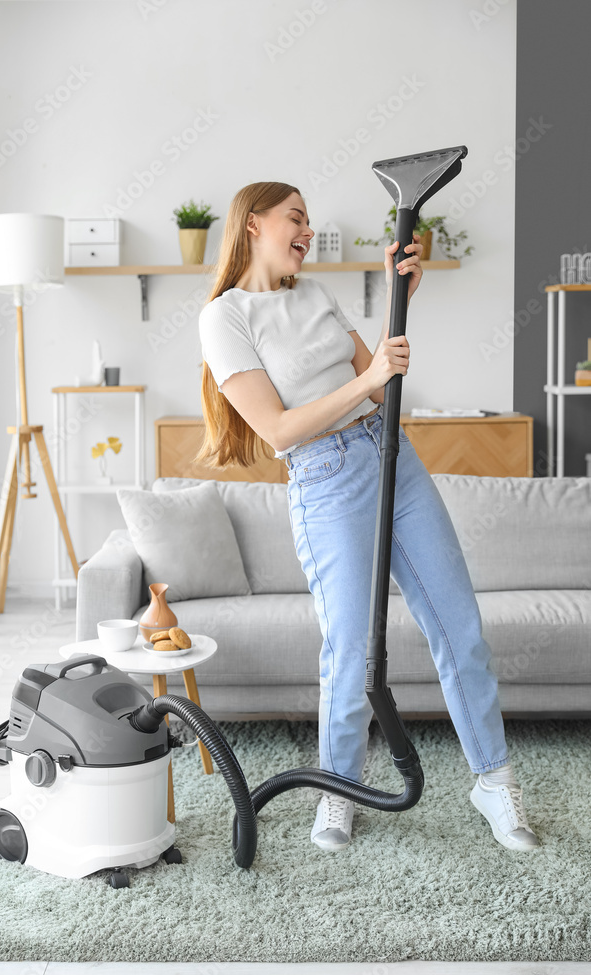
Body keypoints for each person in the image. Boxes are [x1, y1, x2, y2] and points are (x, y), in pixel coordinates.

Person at [196, 180, 539, 854]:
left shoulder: (316, 294)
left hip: (391, 458)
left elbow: (379, 380)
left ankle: (493, 781)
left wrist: (401, 292)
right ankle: (338, 789)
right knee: (349, 649)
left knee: (459, 628)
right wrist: (364, 378)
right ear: (252, 225)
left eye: (308, 220)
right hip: (322, 478)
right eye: (293, 218)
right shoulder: (226, 317)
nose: (305, 230)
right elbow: (279, 428)